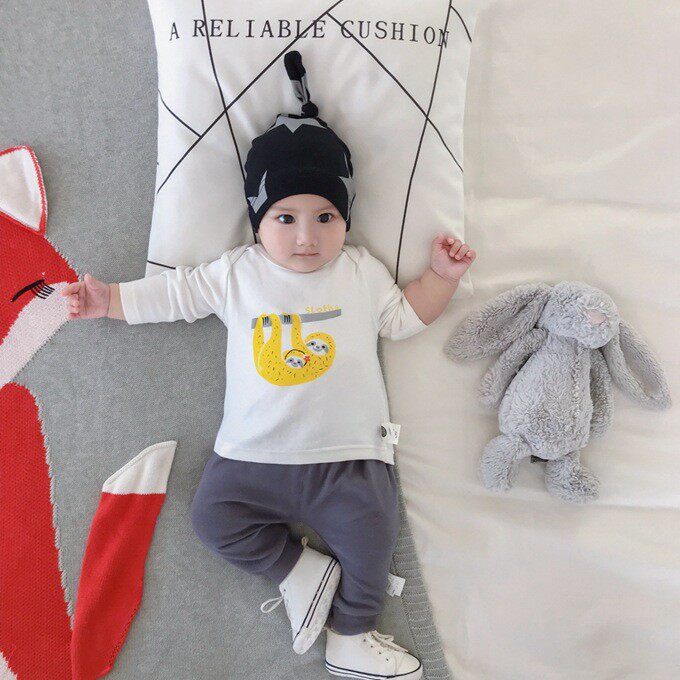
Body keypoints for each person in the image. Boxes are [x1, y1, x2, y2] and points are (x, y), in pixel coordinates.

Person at [61, 51, 475, 680]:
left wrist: (441, 277)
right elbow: (174, 296)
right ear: (258, 221)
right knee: (211, 517)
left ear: (345, 218)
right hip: (252, 457)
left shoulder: (360, 272)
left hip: (349, 462)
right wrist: (109, 300)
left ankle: (352, 634)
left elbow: (404, 318)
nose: (307, 237)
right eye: (285, 218)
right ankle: (299, 570)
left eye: (326, 218)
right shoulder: (237, 273)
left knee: (373, 534)